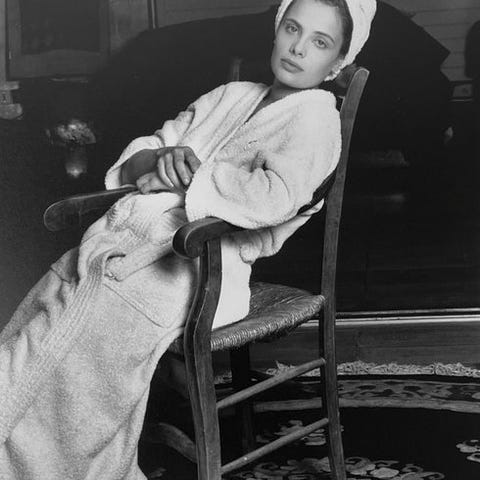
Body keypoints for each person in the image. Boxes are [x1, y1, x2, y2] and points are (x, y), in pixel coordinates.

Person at [0, 0, 375, 478]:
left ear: (338, 62)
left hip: (200, 268)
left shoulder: (316, 121)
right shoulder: (231, 95)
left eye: (319, 42)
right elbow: (153, 145)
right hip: (123, 242)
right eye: (292, 28)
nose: (298, 48)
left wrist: (190, 178)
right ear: (277, 29)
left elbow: (275, 197)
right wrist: (153, 161)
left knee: (82, 349)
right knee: (41, 321)